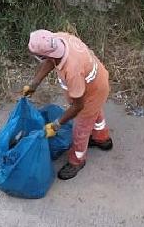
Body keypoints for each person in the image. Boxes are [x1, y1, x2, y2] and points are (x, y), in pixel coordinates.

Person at [22, 29, 113, 180]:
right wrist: (34, 84)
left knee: (80, 130)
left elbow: (78, 106)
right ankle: (102, 138)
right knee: (94, 110)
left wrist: (56, 124)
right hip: (96, 85)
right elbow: (51, 60)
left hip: (91, 93)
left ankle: (77, 161)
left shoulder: (72, 70)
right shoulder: (58, 39)